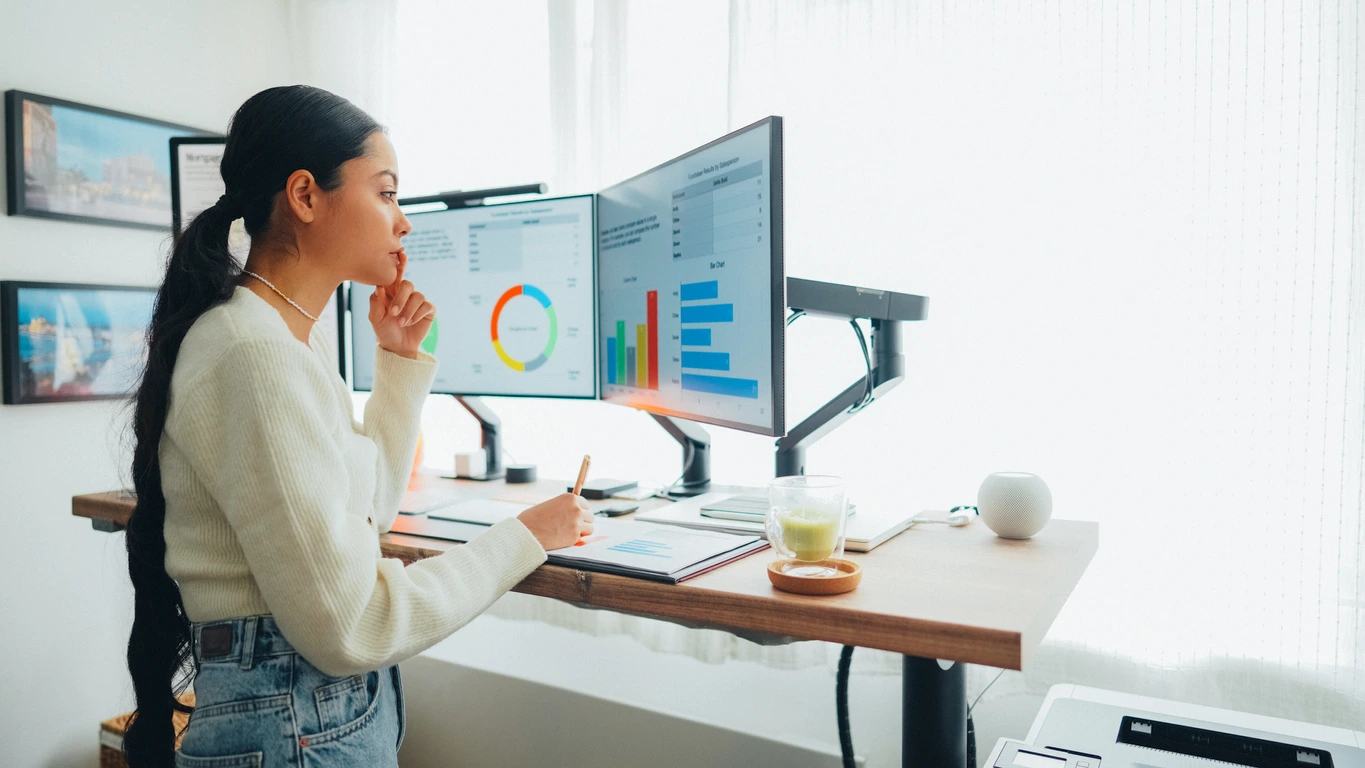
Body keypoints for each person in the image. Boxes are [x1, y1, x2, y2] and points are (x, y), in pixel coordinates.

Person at [122, 85, 592, 768]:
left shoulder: (289, 342)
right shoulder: (254, 353)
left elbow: (362, 519)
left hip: (303, 709)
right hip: (291, 714)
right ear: (306, 196)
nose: (403, 222)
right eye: (386, 193)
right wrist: (525, 537)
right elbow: (352, 624)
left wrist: (398, 365)